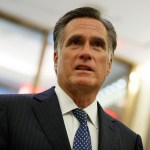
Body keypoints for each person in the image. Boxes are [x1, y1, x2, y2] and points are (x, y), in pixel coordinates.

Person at [0, 7, 143, 150]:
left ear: (109, 65)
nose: (86, 53)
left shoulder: (130, 142)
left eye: (97, 45)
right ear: (56, 59)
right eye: (75, 42)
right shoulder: (7, 111)